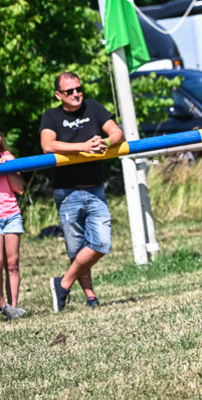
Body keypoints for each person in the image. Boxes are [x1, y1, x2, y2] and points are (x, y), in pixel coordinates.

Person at [40, 72, 123, 312]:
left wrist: (105, 143)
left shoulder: (94, 107)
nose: (76, 94)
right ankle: (90, 296)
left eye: (79, 89)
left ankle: (63, 284)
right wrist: (84, 147)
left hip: (95, 189)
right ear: (59, 95)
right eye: (70, 91)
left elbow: (117, 133)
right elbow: (48, 145)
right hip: (67, 193)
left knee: (100, 243)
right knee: (76, 250)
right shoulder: (51, 116)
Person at [0, 118, 26, 319]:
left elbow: (19, 188)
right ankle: (2, 304)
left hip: (11, 214)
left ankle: (14, 308)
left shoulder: (7, 156)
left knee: (13, 263)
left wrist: (8, 166)